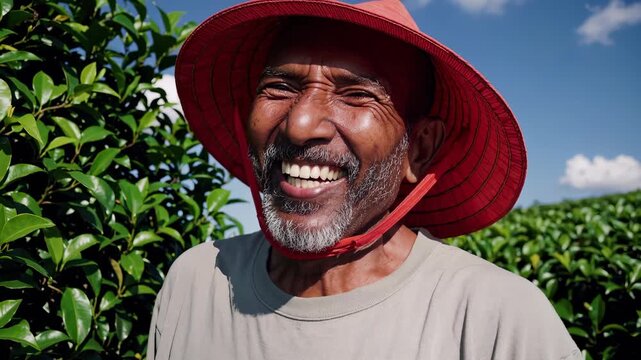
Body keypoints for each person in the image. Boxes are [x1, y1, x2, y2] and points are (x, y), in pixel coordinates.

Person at [148, 0, 581, 359]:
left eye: (357, 95)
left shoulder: (498, 321)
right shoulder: (196, 280)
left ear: (420, 149)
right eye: (279, 86)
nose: (299, 125)